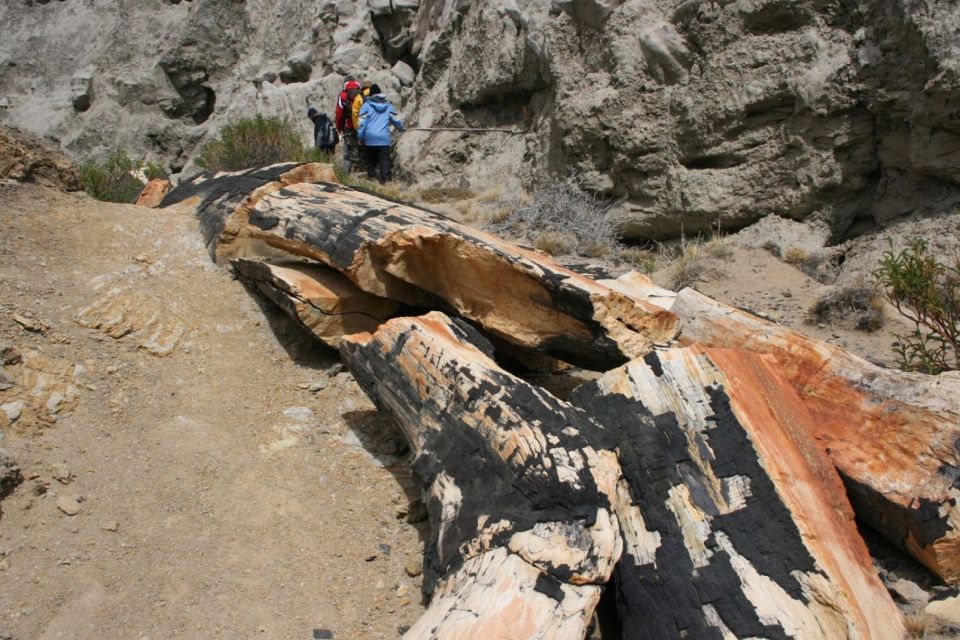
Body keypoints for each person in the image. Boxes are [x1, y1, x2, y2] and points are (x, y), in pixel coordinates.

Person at [357, 89, 404, 183]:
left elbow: (362, 123)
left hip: (369, 138)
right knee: (385, 161)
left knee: (370, 160)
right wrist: (401, 129)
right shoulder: (388, 106)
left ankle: (372, 178)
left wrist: (360, 137)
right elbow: (396, 120)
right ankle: (387, 181)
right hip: (384, 139)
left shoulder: (366, 106)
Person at [334, 79, 362, 171]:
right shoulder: (361, 94)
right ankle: (363, 169)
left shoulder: (343, 96)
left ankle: (350, 173)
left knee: (347, 153)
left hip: (349, 126)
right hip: (363, 126)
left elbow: (339, 113)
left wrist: (339, 127)